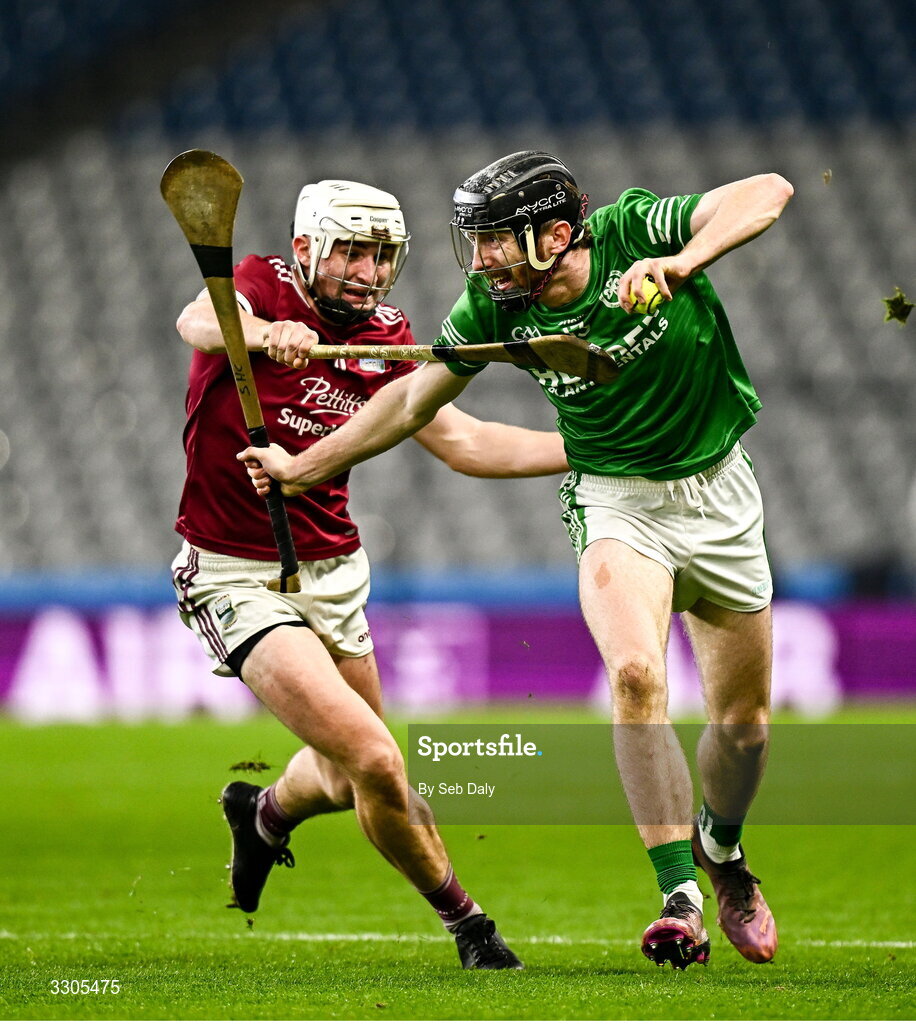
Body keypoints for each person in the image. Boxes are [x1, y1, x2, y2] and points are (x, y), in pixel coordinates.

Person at [239, 151, 795, 971]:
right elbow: (413, 399)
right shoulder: (492, 308)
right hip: (615, 499)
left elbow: (768, 191)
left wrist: (680, 263)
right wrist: (305, 465)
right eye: (476, 240)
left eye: (496, 239)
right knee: (635, 675)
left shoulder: (632, 230)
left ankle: (724, 853)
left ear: (555, 234)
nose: (481, 258)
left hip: (720, 493)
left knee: (744, 731)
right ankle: (679, 897)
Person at [172, 174, 570, 970]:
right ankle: (471, 926)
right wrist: (263, 334)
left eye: (382, 256)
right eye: (351, 253)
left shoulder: (386, 336)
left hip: (335, 572)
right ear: (307, 248)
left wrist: (587, 449)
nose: (368, 272)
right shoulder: (260, 285)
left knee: (352, 774)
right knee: (379, 759)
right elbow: (198, 320)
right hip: (234, 575)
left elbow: (463, 442)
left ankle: (263, 814)